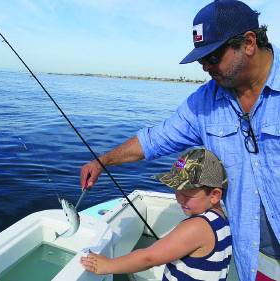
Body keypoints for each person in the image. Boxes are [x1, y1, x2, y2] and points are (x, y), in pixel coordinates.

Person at [80, 1, 280, 281]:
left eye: (212, 56)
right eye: (201, 60)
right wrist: (103, 161)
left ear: (248, 43)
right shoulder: (203, 102)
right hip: (256, 258)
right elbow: (155, 139)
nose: (205, 67)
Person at [81, 148, 232, 280]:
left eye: (186, 195)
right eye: (176, 192)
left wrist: (107, 265)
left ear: (215, 195)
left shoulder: (197, 226)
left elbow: (149, 258)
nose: (179, 200)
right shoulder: (221, 220)